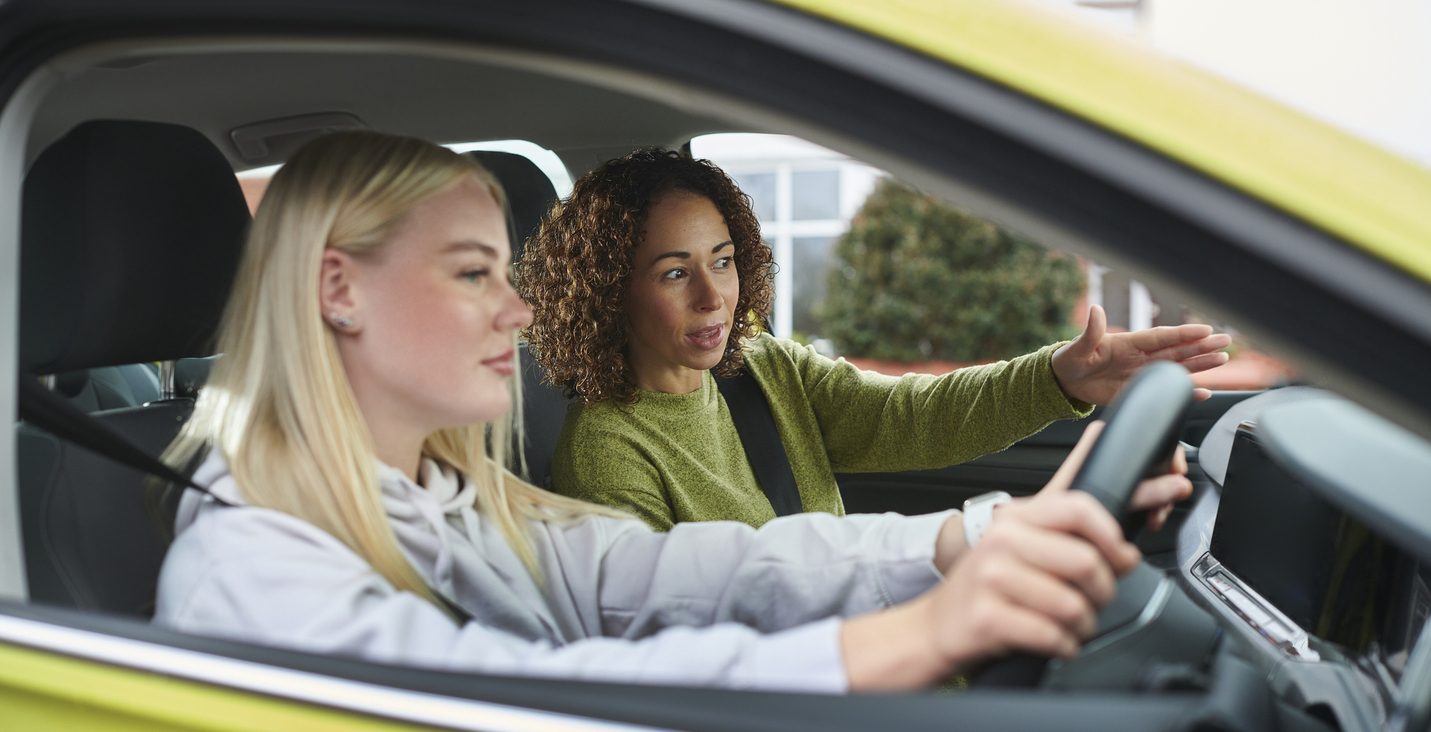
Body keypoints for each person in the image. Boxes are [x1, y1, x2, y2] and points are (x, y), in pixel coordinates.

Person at [152, 131, 1189, 692]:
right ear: (338, 291)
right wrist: (909, 638)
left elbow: (689, 570)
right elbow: (524, 695)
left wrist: (979, 539)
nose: (514, 311)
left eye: (726, 263)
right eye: (472, 273)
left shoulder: (452, 502)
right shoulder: (253, 569)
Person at [520, 149, 1229, 531]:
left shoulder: (758, 366)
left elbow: (909, 415)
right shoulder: (607, 454)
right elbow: (684, 642)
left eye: (723, 260)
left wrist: (1061, 377)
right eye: (675, 273)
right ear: (607, 288)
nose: (713, 296)